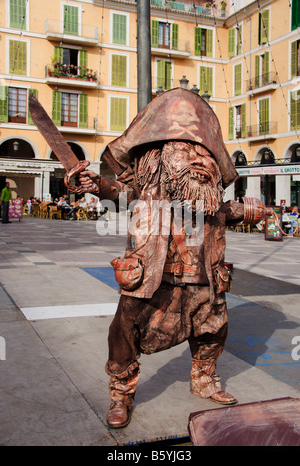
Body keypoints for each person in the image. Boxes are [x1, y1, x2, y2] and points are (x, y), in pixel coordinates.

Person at [73, 88, 271, 429]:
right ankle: (121, 393)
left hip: (203, 264)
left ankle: (205, 379)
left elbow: (218, 209)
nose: (189, 145)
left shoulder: (207, 164)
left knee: (212, 324)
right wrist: (97, 186)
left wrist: (248, 211)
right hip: (152, 264)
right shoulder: (150, 160)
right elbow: (125, 194)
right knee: (126, 325)